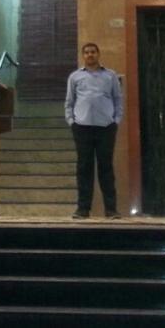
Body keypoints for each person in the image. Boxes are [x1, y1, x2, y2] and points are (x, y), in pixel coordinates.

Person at [65, 41, 123, 220]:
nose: (90, 55)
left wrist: (116, 120)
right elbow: (69, 101)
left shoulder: (110, 76)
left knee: (106, 168)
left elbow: (118, 99)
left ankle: (111, 210)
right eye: (87, 52)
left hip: (106, 128)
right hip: (82, 127)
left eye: (93, 52)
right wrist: (71, 121)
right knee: (84, 168)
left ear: (98, 54)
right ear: (83, 56)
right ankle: (83, 209)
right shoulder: (75, 77)